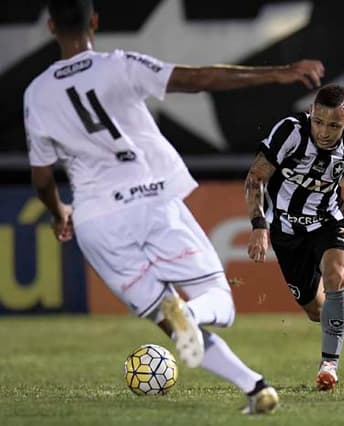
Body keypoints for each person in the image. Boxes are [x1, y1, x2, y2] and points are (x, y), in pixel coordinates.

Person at [25, 0, 326, 415]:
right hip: (149, 200)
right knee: (215, 300)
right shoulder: (119, 64)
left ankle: (255, 389)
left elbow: (41, 177)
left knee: (173, 322)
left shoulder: (36, 94)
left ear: (50, 26)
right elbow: (199, 78)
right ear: (95, 21)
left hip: (96, 221)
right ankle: (193, 312)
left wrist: (60, 212)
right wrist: (278, 72)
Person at [244, 84, 344, 391]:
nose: (325, 132)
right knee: (318, 312)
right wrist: (259, 223)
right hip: (286, 232)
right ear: (311, 113)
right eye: (319, 122)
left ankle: (329, 365)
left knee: (336, 274)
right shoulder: (290, 133)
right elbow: (256, 176)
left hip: (330, 222)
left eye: (334, 125)